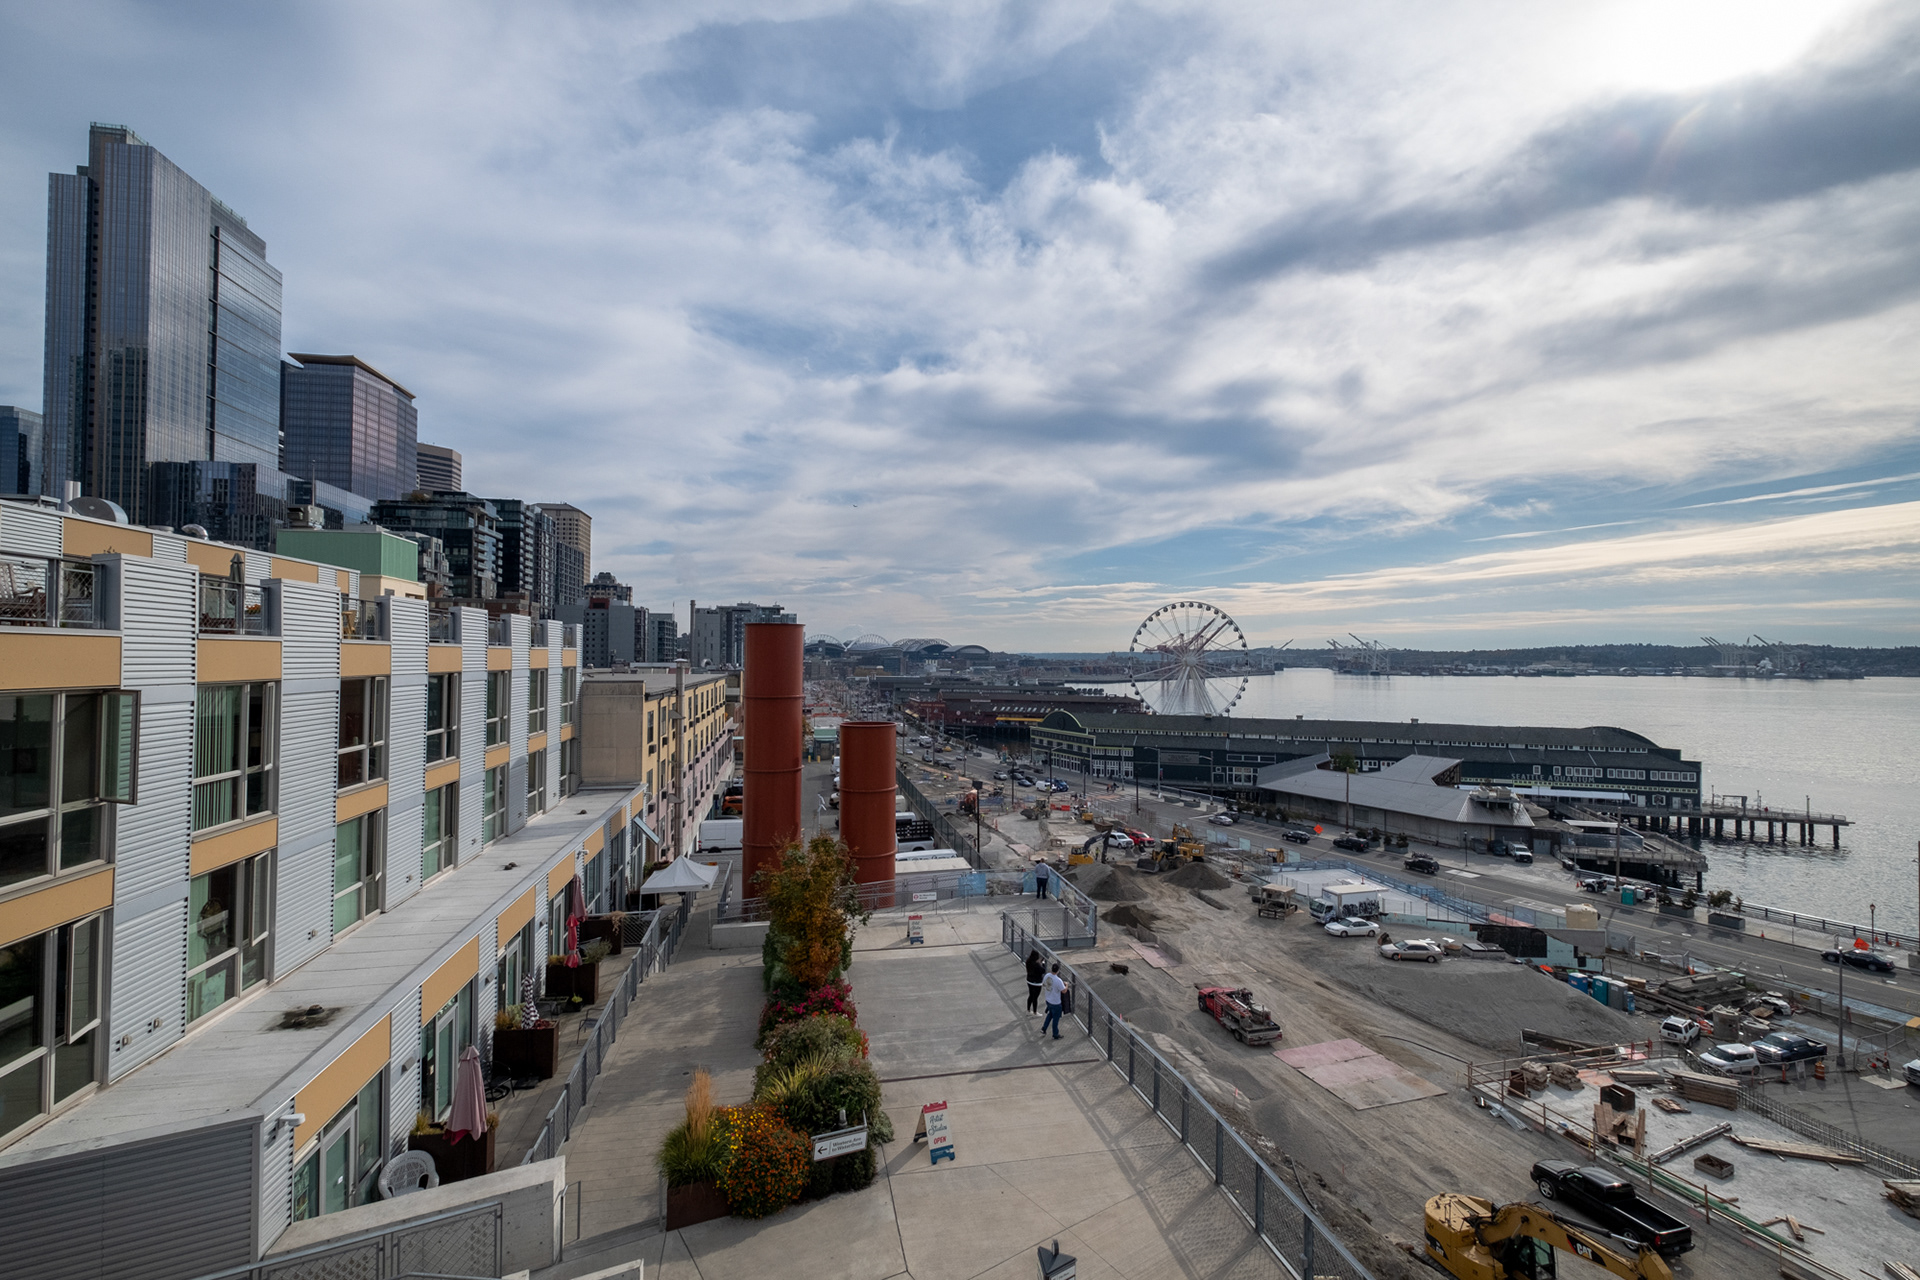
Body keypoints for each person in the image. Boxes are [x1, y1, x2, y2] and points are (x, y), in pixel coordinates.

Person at [1041, 962, 1067, 1039]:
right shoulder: (1058, 980)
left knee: (1050, 1015)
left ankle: (1044, 1028)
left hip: (1048, 1000)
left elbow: (1044, 984)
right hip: (1056, 1002)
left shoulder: (1047, 976)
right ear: (1058, 971)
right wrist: (1066, 985)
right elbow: (1063, 991)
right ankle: (1055, 1034)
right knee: (1055, 1019)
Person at [1025, 949, 1045, 1014]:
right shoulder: (1037, 965)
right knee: (1035, 997)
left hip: (1029, 981)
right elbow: (1043, 971)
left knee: (1031, 995)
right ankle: (1035, 1012)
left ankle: (1028, 1010)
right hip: (1037, 983)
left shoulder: (1028, 961)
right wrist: (1042, 964)